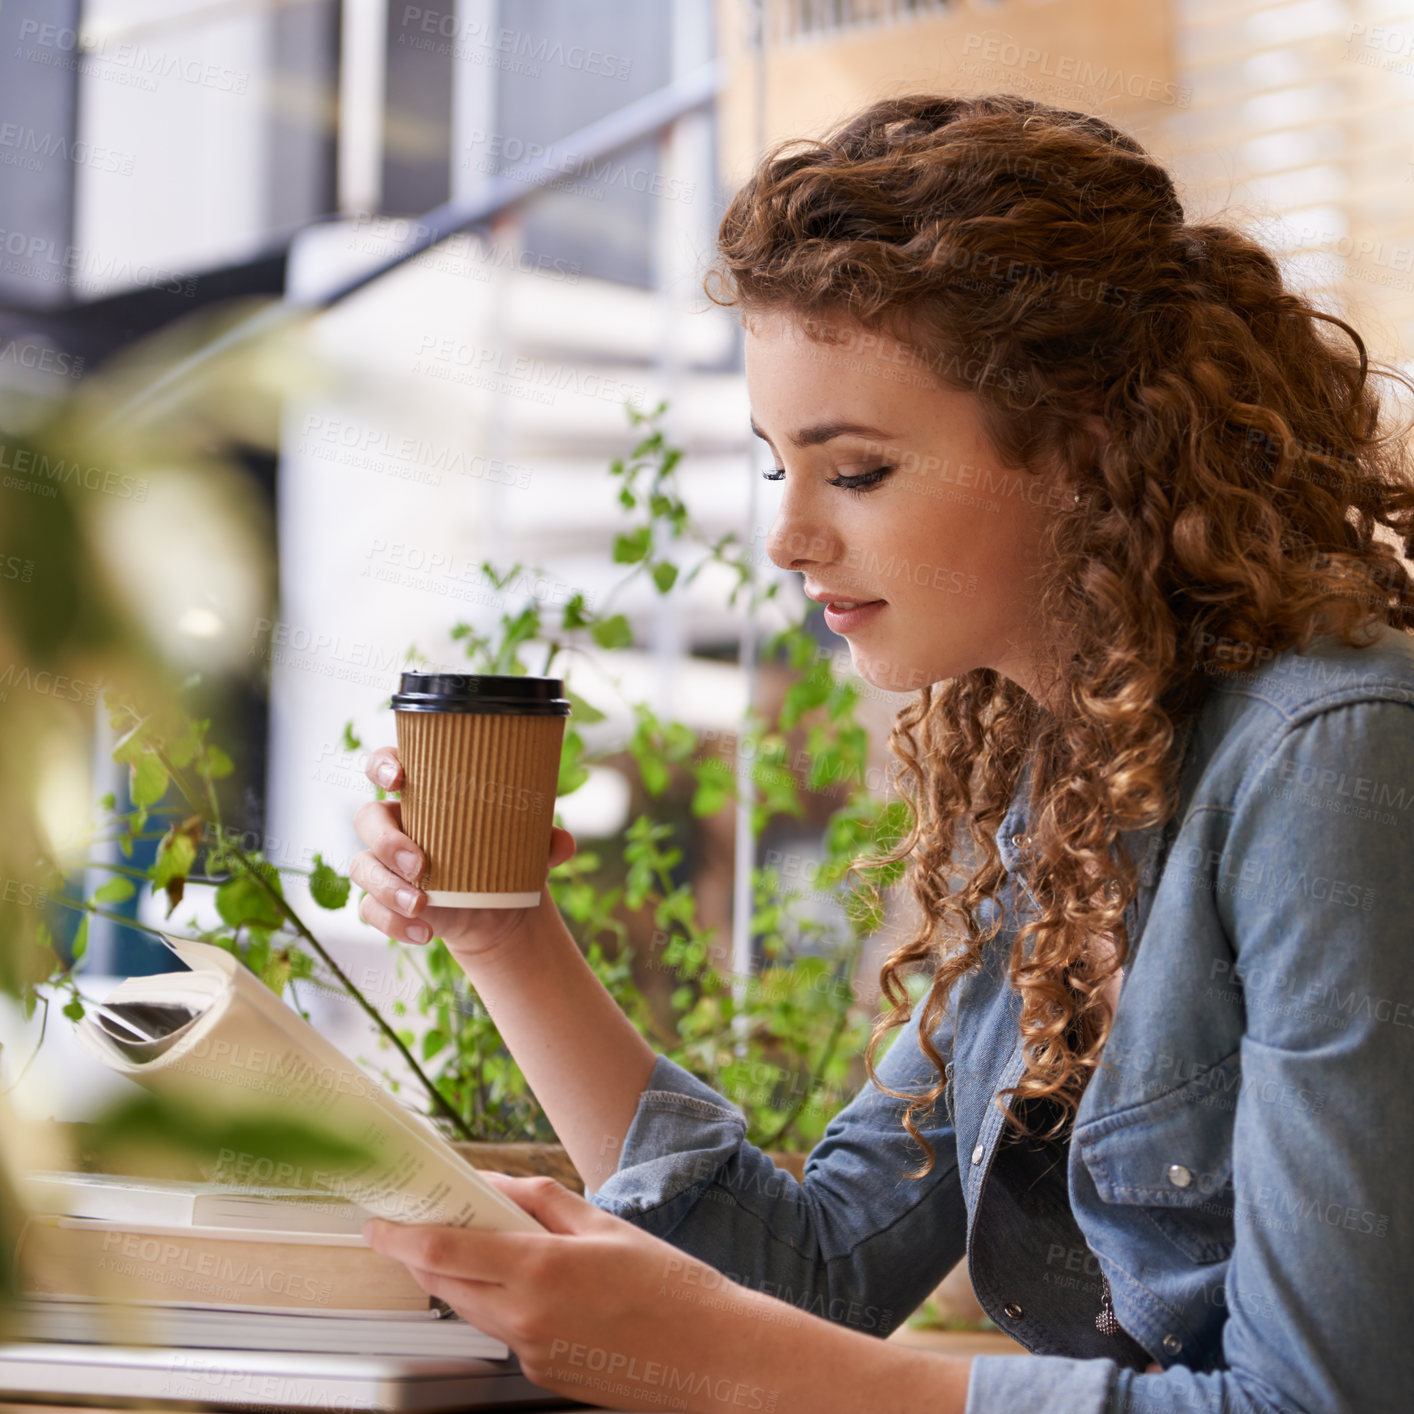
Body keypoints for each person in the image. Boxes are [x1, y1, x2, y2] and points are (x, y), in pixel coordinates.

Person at [349, 93, 1414, 1413]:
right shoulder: (1057, 786)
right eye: (772, 469)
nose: (788, 540)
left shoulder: (1329, 762)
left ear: (1084, 448)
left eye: (851, 472)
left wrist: (741, 1364)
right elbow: (806, 1272)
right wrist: (500, 933)